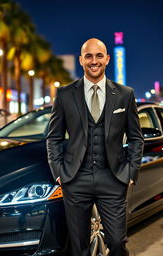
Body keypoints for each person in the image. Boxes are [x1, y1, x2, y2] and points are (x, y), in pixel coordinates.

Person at [46, 38, 144, 256]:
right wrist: (59, 172)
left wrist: (131, 172)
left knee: (117, 242)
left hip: (113, 178)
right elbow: (53, 137)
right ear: (81, 60)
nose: (94, 61)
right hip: (75, 179)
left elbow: (136, 138)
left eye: (99, 55)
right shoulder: (64, 94)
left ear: (107, 59)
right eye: (88, 56)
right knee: (79, 247)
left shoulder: (125, 94)